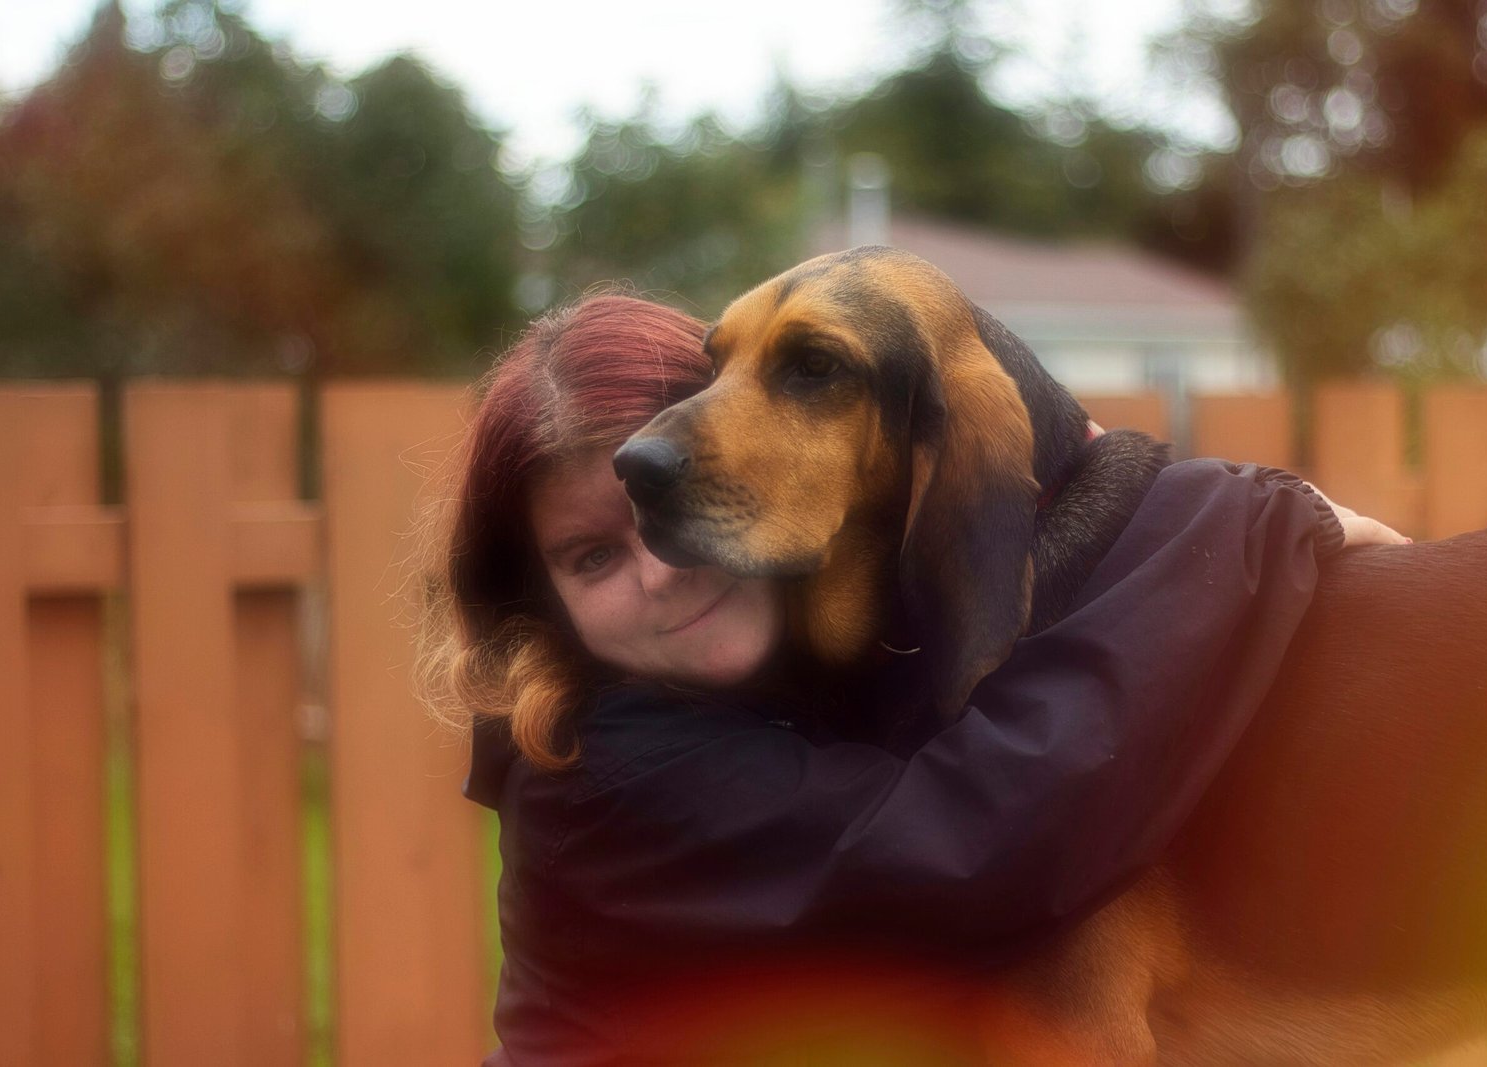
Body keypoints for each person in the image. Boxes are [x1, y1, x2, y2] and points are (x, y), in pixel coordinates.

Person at [413, 291, 1407, 1066]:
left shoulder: (804, 683)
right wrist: (1238, 528)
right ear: (539, 600)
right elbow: (975, 834)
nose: (661, 571)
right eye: (591, 557)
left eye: (685, 502)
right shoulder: (610, 769)